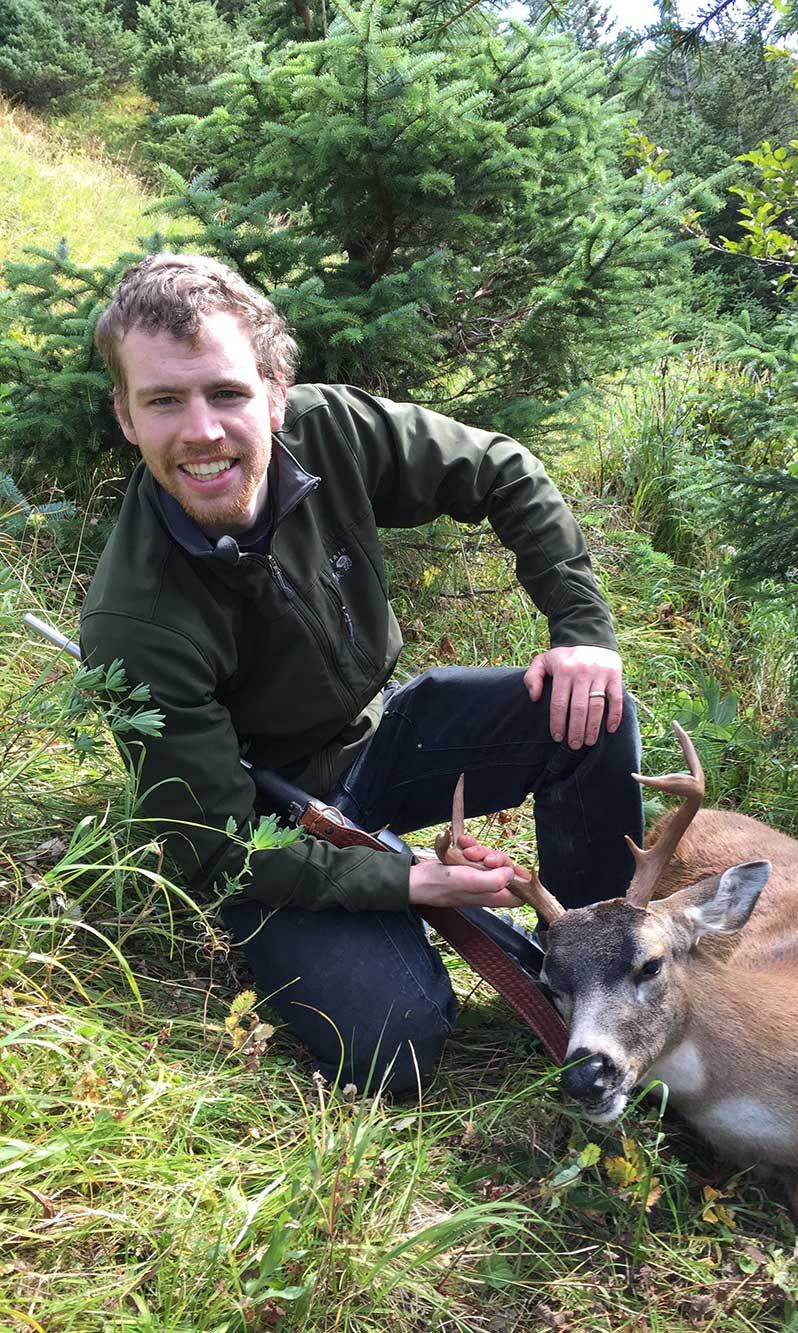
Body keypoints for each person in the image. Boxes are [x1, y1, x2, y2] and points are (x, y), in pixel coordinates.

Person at [81, 253, 643, 1093]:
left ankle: (596, 974)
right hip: (272, 821)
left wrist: (583, 629)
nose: (201, 431)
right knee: (395, 1043)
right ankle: (368, 928)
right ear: (126, 415)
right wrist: (408, 879)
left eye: (227, 392)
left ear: (274, 390)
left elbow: (502, 470)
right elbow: (218, 851)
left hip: (384, 734)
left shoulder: (331, 429)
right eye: (164, 400)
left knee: (592, 711)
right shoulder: (134, 622)